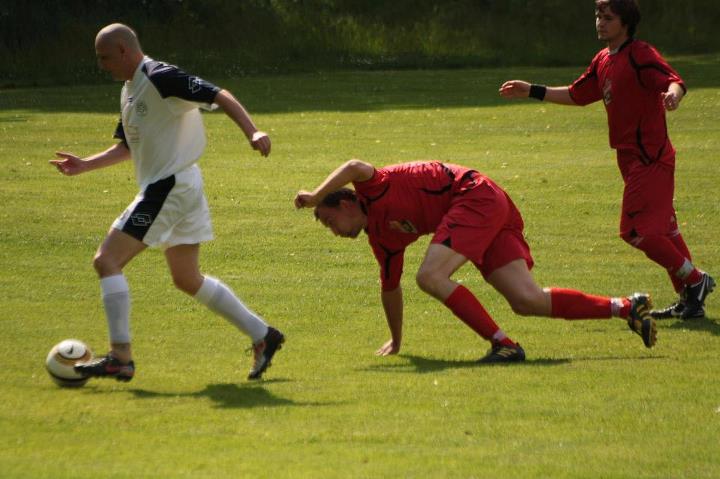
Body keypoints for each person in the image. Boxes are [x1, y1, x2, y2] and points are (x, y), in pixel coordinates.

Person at [49, 23, 284, 382]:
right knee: (187, 278)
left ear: (125, 51)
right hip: (181, 187)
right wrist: (85, 165)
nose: (102, 65)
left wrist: (253, 130)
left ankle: (120, 357)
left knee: (107, 260)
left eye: (105, 57)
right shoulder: (130, 90)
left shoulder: (160, 77)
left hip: (169, 187)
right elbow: (127, 146)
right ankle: (263, 335)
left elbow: (220, 94)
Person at [295, 159, 657, 362]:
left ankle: (505, 345)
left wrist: (314, 195)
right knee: (526, 300)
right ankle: (627, 307)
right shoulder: (382, 238)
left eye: (330, 222)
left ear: (344, 205)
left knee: (430, 275)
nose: (334, 232)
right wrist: (397, 340)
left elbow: (357, 165)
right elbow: (389, 288)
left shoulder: (374, 188)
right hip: (482, 211)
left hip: (474, 197)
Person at [499, 0, 714, 320]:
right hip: (629, 159)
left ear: (625, 22)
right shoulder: (603, 59)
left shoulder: (640, 53)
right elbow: (577, 94)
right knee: (666, 230)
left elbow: (674, 80)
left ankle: (696, 280)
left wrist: (673, 95)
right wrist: (531, 90)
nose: (600, 22)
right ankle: (690, 300)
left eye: (608, 17)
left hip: (650, 158)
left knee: (635, 231)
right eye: (598, 16)